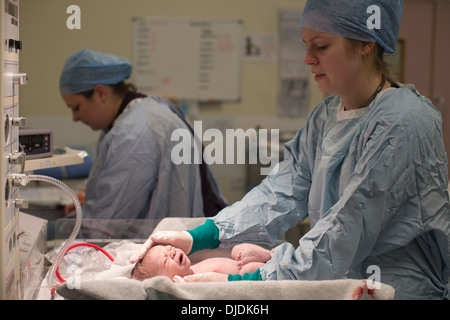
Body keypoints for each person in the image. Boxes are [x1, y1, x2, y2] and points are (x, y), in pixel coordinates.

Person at [130, 0, 450, 299]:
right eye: (305, 46)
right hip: (340, 282)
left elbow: (347, 227)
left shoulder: (405, 122)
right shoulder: (325, 117)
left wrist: (250, 284)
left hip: (400, 288)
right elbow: (280, 192)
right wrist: (202, 235)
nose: (308, 59)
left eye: (321, 46)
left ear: (367, 42)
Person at [60, 49, 226, 220]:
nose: (75, 117)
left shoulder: (134, 131)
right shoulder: (136, 116)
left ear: (101, 93)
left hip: (189, 234)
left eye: (76, 107)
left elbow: (110, 217)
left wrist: (54, 229)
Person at [130, 243, 271, 281]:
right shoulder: (190, 283)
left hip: (240, 261)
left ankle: (268, 255)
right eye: (165, 260)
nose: (171, 252)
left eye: (169, 248)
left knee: (237, 250)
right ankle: (266, 262)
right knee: (249, 269)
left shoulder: (193, 267)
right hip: (243, 274)